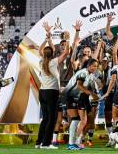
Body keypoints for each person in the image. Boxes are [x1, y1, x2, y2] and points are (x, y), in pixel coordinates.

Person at [35, 21, 69, 149]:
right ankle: (46, 143)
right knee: (52, 119)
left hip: (42, 92)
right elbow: (66, 52)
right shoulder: (54, 62)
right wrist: (67, 39)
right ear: (52, 54)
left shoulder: (41, 61)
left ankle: (38, 142)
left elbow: (40, 49)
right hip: (51, 92)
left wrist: (47, 37)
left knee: (45, 118)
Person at [63, 58, 100, 150]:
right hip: (70, 96)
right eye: (94, 66)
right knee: (76, 119)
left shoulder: (89, 75)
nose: (95, 68)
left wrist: (94, 94)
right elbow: (79, 85)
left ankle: (75, 143)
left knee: (79, 120)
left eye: (96, 66)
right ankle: (71, 144)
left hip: (77, 98)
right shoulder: (83, 72)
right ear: (89, 66)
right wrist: (91, 94)